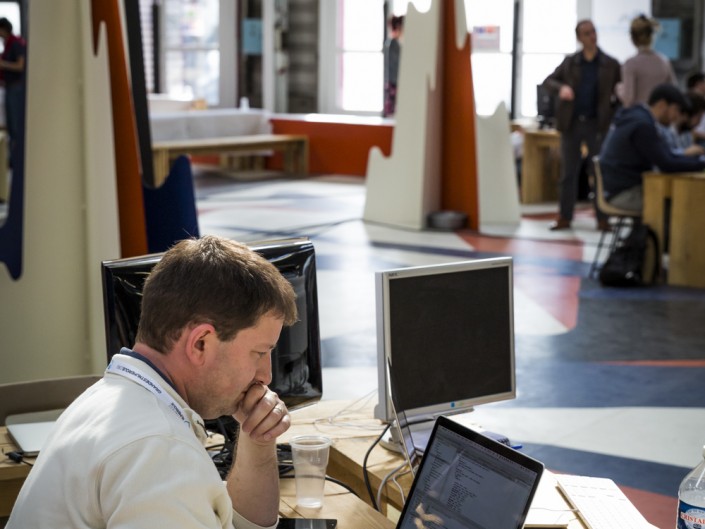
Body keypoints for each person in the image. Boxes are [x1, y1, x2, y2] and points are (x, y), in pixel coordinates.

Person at [6, 235, 299, 529]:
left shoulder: (109, 400)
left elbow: (242, 525)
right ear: (200, 343)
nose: (266, 376)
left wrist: (257, 441)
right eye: (259, 353)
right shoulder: (160, 449)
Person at [541, 19, 621, 231]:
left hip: (598, 124)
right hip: (572, 123)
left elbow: (620, 92)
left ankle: (603, 217)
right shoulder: (571, 62)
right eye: (586, 33)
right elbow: (548, 81)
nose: (591, 36)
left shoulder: (610, 63)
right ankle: (565, 216)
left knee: (598, 172)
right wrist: (562, 89)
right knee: (569, 172)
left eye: (593, 31)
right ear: (579, 38)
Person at [600, 84, 705, 213]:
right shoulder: (642, 125)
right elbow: (667, 164)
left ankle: (643, 233)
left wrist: (699, 161)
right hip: (624, 193)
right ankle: (650, 234)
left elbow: (667, 156)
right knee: (682, 204)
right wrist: (701, 164)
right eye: (676, 110)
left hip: (618, 188)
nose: (677, 117)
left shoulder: (638, 116)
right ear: (662, 104)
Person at [619, 15, 676, 108]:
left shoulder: (631, 64)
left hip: (639, 117)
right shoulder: (664, 61)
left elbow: (628, 99)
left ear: (633, 39)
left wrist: (619, 89)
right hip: (660, 117)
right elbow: (673, 91)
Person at [0, 17, 26, 165]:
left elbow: (20, 66)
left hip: (16, 88)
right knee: (11, 126)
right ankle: (13, 159)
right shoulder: (8, 45)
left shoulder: (16, 44)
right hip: (9, 87)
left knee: (15, 126)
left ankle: (17, 160)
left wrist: (3, 64)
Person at [383, 15, 404, 118]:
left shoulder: (393, 43)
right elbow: (395, 66)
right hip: (394, 84)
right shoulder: (393, 44)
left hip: (393, 83)